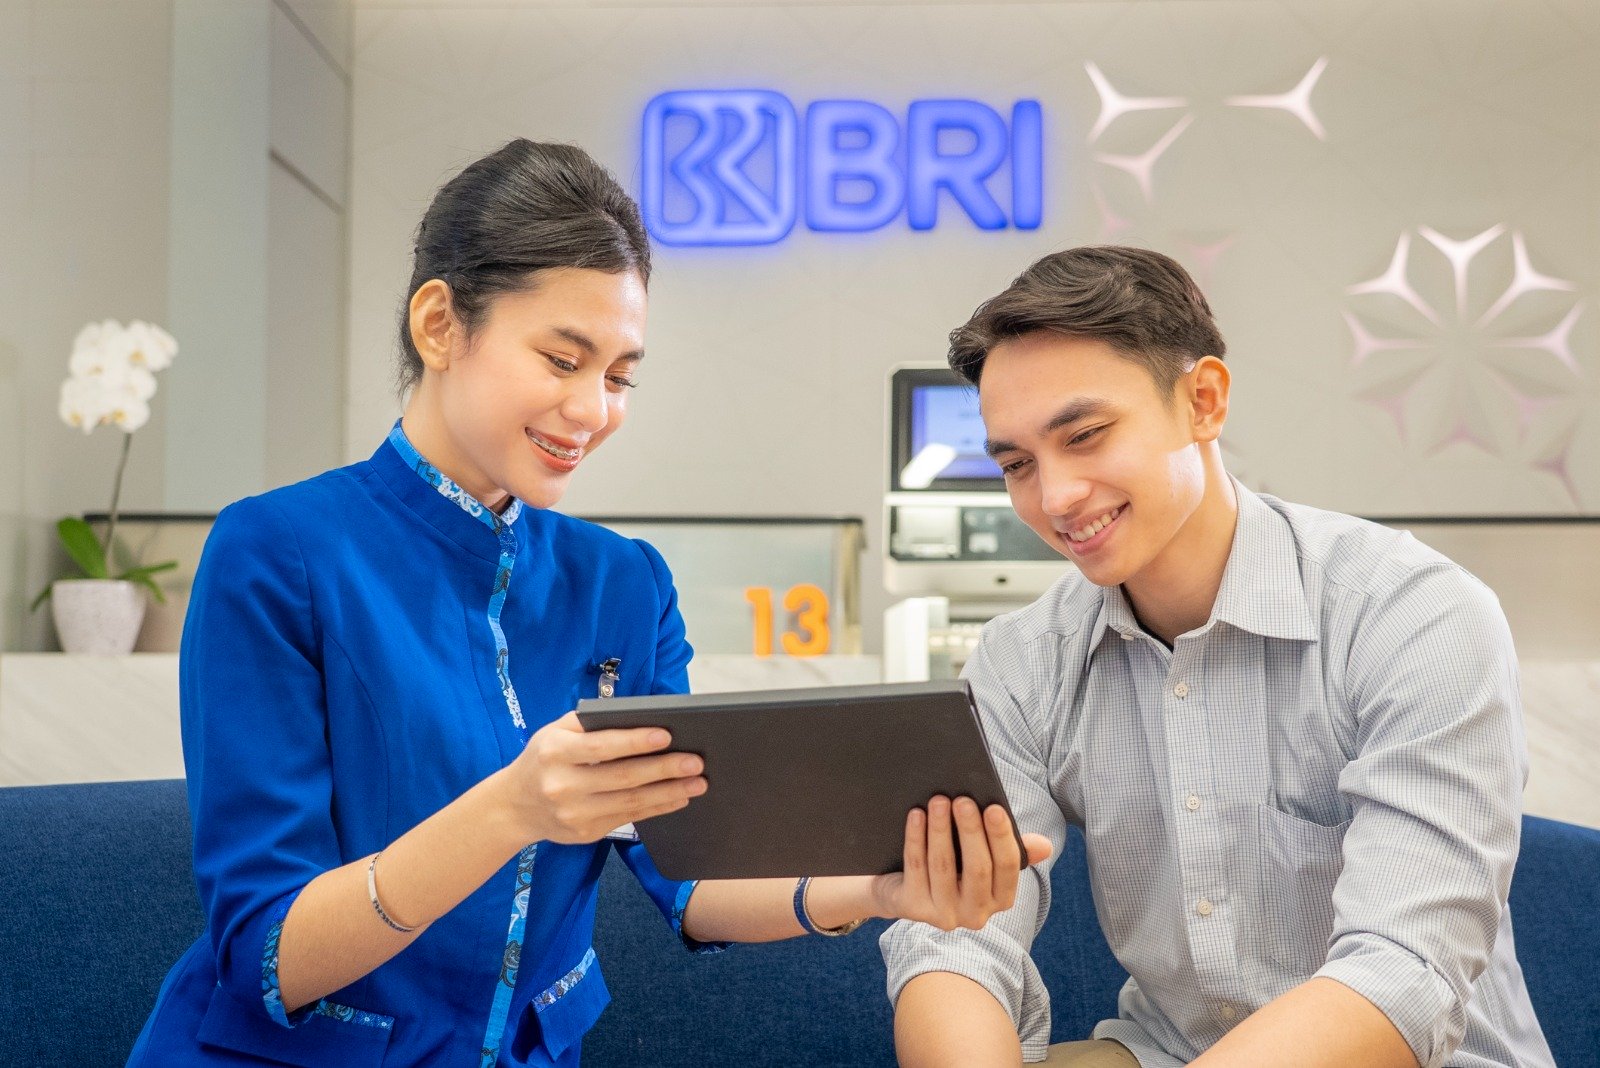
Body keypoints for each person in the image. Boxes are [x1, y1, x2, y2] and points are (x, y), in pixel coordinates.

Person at [128, 139, 1049, 1067]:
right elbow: (269, 955)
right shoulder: (276, 553)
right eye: (562, 359)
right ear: (440, 325)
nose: (593, 409)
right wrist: (512, 809)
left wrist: (879, 890)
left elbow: (692, 876)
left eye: (618, 376)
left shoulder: (624, 584)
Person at [883, 246, 1555, 1068]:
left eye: (1085, 436)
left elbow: (1402, 973)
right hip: (1169, 1051)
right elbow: (954, 933)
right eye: (1018, 465)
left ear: (1203, 401)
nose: (1054, 498)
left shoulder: (1414, 615)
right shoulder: (1023, 661)